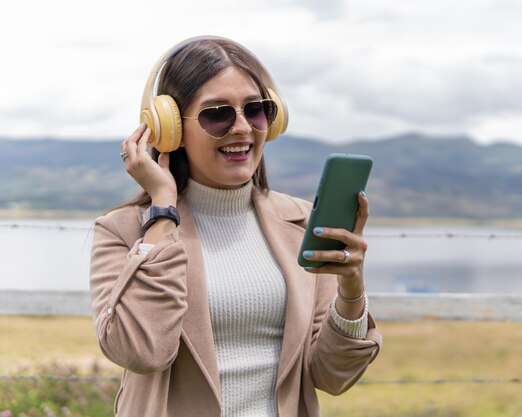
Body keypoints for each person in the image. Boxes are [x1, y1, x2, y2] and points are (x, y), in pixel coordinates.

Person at [89, 35, 381, 417]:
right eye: (217, 114)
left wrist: (351, 290)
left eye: (256, 110)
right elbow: (142, 352)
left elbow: (332, 375)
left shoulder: (301, 222)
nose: (242, 127)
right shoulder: (124, 231)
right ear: (169, 129)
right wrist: (162, 211)